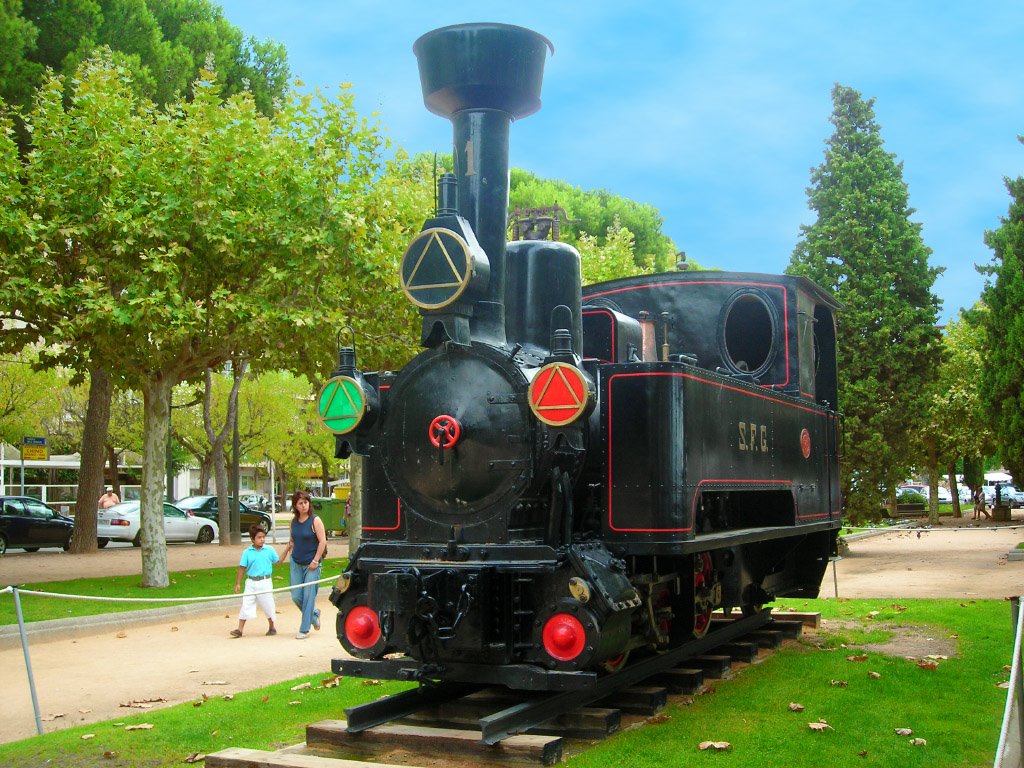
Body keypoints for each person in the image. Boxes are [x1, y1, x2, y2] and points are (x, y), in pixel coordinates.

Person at [281, 490, 327, 639]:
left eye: (306, 502)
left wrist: (315, 561)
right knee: (296, 596)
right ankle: (313, 616)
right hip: (296, 562)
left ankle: (304, 628)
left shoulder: (315, 520)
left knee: (309, 595)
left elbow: (323, 541)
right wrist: (288, 551)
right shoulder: (293, 522)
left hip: (312, 563)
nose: (304, 505)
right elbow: (292, 539)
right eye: (300, 503)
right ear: (295, 505)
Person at [231, 524, 279, 638]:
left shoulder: (269, 550)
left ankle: (272, 627)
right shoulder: (247, 552)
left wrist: (287, 549)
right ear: (252, 539)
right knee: (246, 604)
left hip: (265, 581)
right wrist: (238, 583)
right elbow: (242, 568)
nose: (262, 539)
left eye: (263, 537)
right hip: (251, 582)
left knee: (268, 604)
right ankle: (239, 629)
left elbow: (278, 562)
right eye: (259, 537)